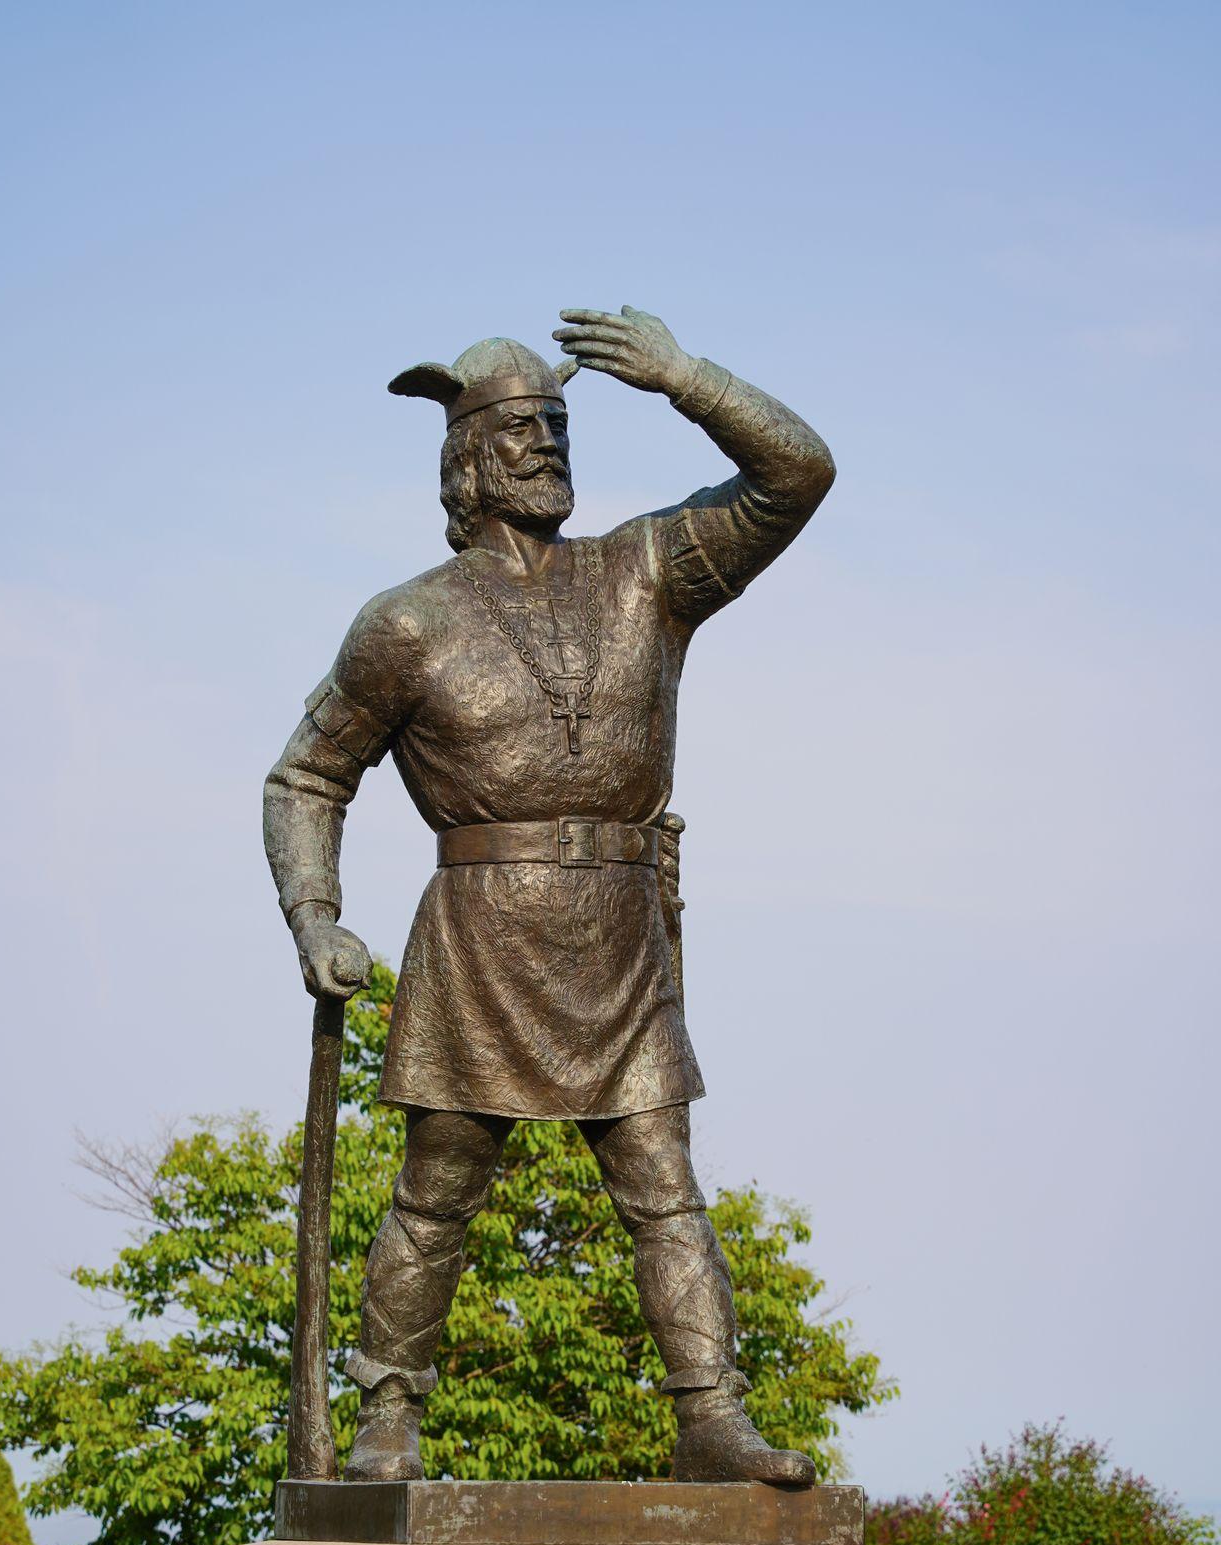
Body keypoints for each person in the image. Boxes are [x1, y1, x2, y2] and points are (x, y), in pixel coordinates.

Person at [264, 305, 836, 1484]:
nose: (545, 446)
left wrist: (684, 378)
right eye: (519, 430)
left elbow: (797, 471)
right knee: (438, 1189)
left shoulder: (646, 571)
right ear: (466, 460)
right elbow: (306, 777)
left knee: (662, 1187)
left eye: (558, 426)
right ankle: (388, 1418)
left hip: (620, 928)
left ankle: (709, 1419)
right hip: (481, 932)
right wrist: (313, 916)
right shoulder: (406, 622)